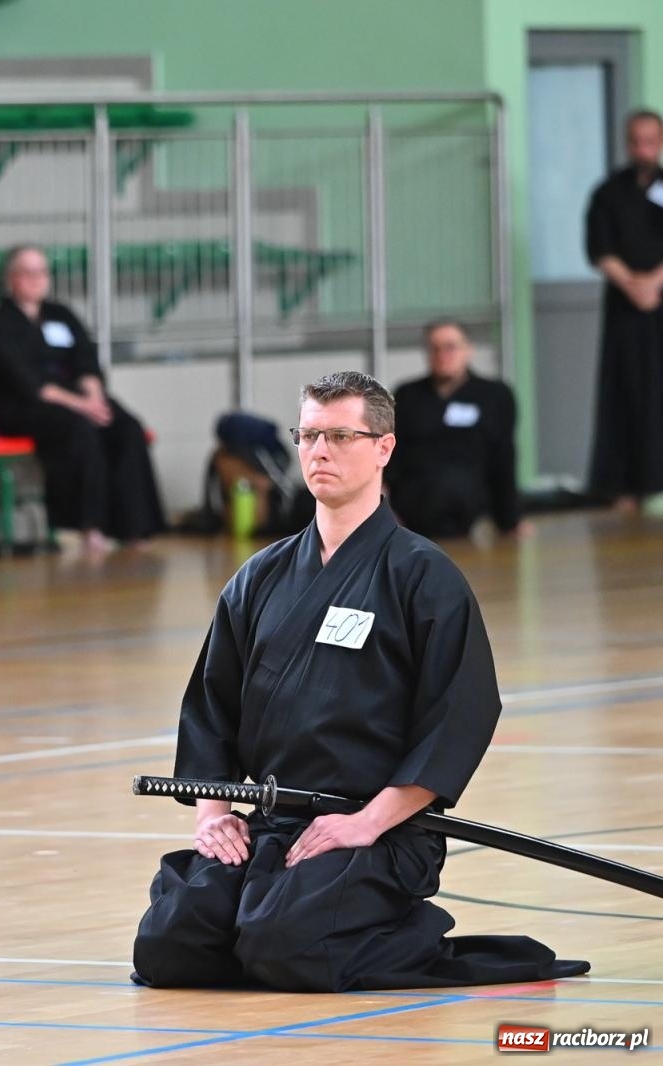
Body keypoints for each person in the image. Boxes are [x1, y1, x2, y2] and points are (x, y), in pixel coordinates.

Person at [131, 370, 588, 992]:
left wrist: (368, 822)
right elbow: (212, 706)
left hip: (375, 831)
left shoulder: (423, 576)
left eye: (341, 436)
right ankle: (267, 916)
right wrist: (214, 813)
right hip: (271, 823)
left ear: (384, 447)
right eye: (310, 435)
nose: (320, 452)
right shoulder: (259, 577)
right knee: (168, 947)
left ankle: (410, 935)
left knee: (286, 947)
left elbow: (461, 715)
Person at [0, 245, 165, 552]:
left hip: (77, 398)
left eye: (41, 271)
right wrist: (81, 405)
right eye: (27, 272)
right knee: (78, 429)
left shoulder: (60, 314)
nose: (36, 279)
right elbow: (25, 382)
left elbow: (85, 359)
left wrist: (93, 393)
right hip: (24, 406)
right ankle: (85, 526)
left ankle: (134, 525)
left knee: (126, 426)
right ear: (11, 279)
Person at [585, 108, 663, 512]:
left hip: (659, 296)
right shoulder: (609, 192)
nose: (642, 149)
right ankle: (626, 486)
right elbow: (600, 249)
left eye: (650, 141)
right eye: (636, 141)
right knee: (626, 390)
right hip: (625, 306)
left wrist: (655, 281)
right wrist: (632, 284)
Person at [387, 319, 527, 539]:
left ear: (468, 350)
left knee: (449, 485)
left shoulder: (494, 396)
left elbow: (503, 459)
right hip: (414, 500)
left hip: (465, 497)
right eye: (435, 348)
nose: (443, 355)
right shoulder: (408, 395)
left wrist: (509, 521)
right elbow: (392, 453)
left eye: (450, 347)